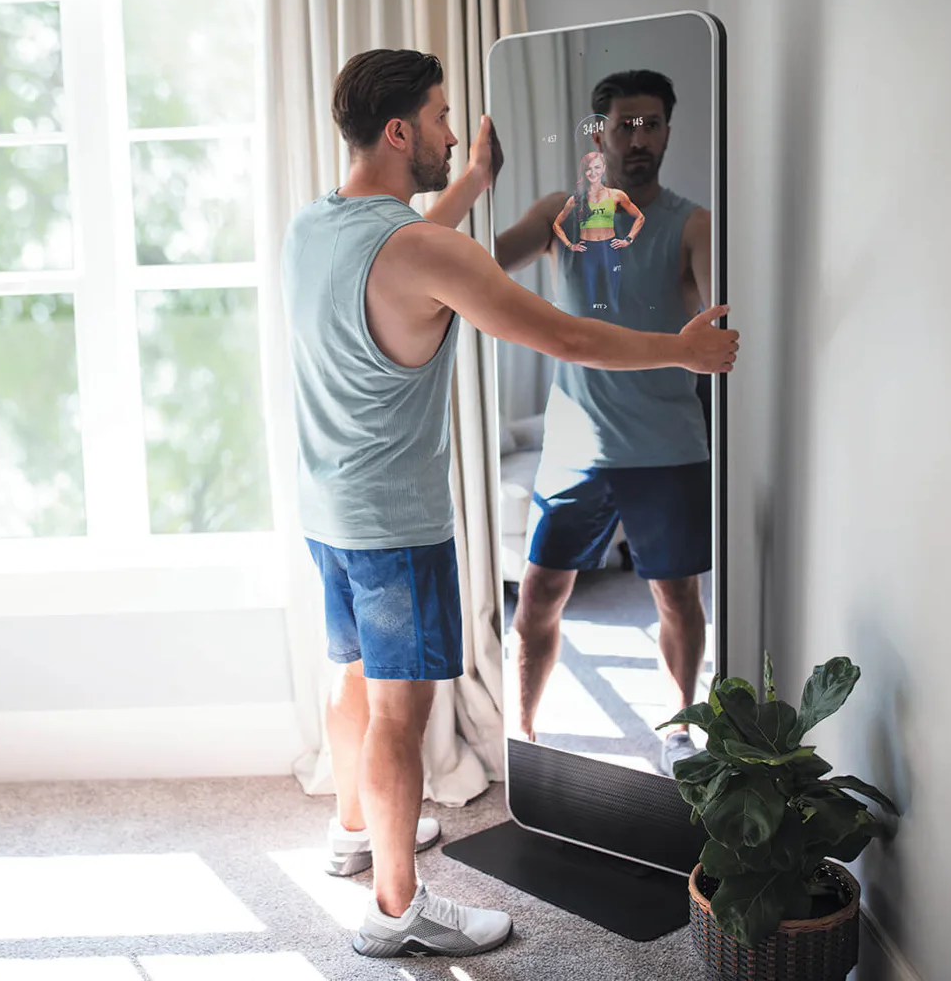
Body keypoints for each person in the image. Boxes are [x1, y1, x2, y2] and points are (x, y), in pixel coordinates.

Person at [283, 51, 737, 959]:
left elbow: (404, 253)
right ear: (401, 131)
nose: (454, 135)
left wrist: (473, 186)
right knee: (401, 713)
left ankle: (353, 831)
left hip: (328, 508)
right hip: (396, 525)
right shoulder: (425, 249)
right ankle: (396, 912)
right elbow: (565, 335)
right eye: (441, 118)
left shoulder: (315, 226)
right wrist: (682, 352)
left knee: (351, 675)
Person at [492, 69, 717, 776]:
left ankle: (679, 731)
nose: (639, 138)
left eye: (652, 124)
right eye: (625, 125)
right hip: (574, 446)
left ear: (669, 132)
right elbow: (482, 267)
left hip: (667, 445)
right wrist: (475, 186)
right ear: (598, 133)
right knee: (538, 598)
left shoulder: (693, 225)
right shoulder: (561, 214)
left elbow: (721, 319)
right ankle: (524, 733)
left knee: (676, 597)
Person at [551, 151, 647, 314]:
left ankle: (613, 328)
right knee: (588, 301)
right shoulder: (577, 199)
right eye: (589, 169)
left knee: (613, 300)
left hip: (609, 249)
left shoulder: (616, 195)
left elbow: (640, 217)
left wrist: (628, 239)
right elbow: (556, 224)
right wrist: (570, 245)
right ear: (584, 172)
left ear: (603, 169)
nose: (593, 172)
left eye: (597, 167)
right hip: (587, 251)